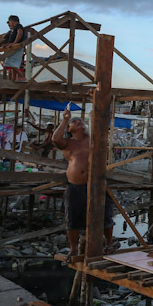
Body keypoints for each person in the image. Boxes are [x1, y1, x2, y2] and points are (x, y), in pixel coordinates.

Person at [52, 107, 113, 257]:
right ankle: (73, 248)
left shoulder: (92, 139)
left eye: (80, 121)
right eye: (74, 122)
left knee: (105, 215)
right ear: (69, 129)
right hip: (76, 186)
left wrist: (95, 101)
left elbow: (101, 119)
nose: (78, 121)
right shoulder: (67, 143)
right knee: (73, 217)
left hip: (96, 184)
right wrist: (65, 119)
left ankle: (109, 244)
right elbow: (55, 139)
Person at [0, 15, 25, 81]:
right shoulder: (12, 31)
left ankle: (21, 76)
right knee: (14, 65)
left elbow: (20, 33)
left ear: (12, 21)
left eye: (9, 22)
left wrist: (14, 43)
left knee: (8, 63)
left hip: (16, 47)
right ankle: (14, 79)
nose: (9, 24)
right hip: (14, 47)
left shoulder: (18, 26)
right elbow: (5, 36)